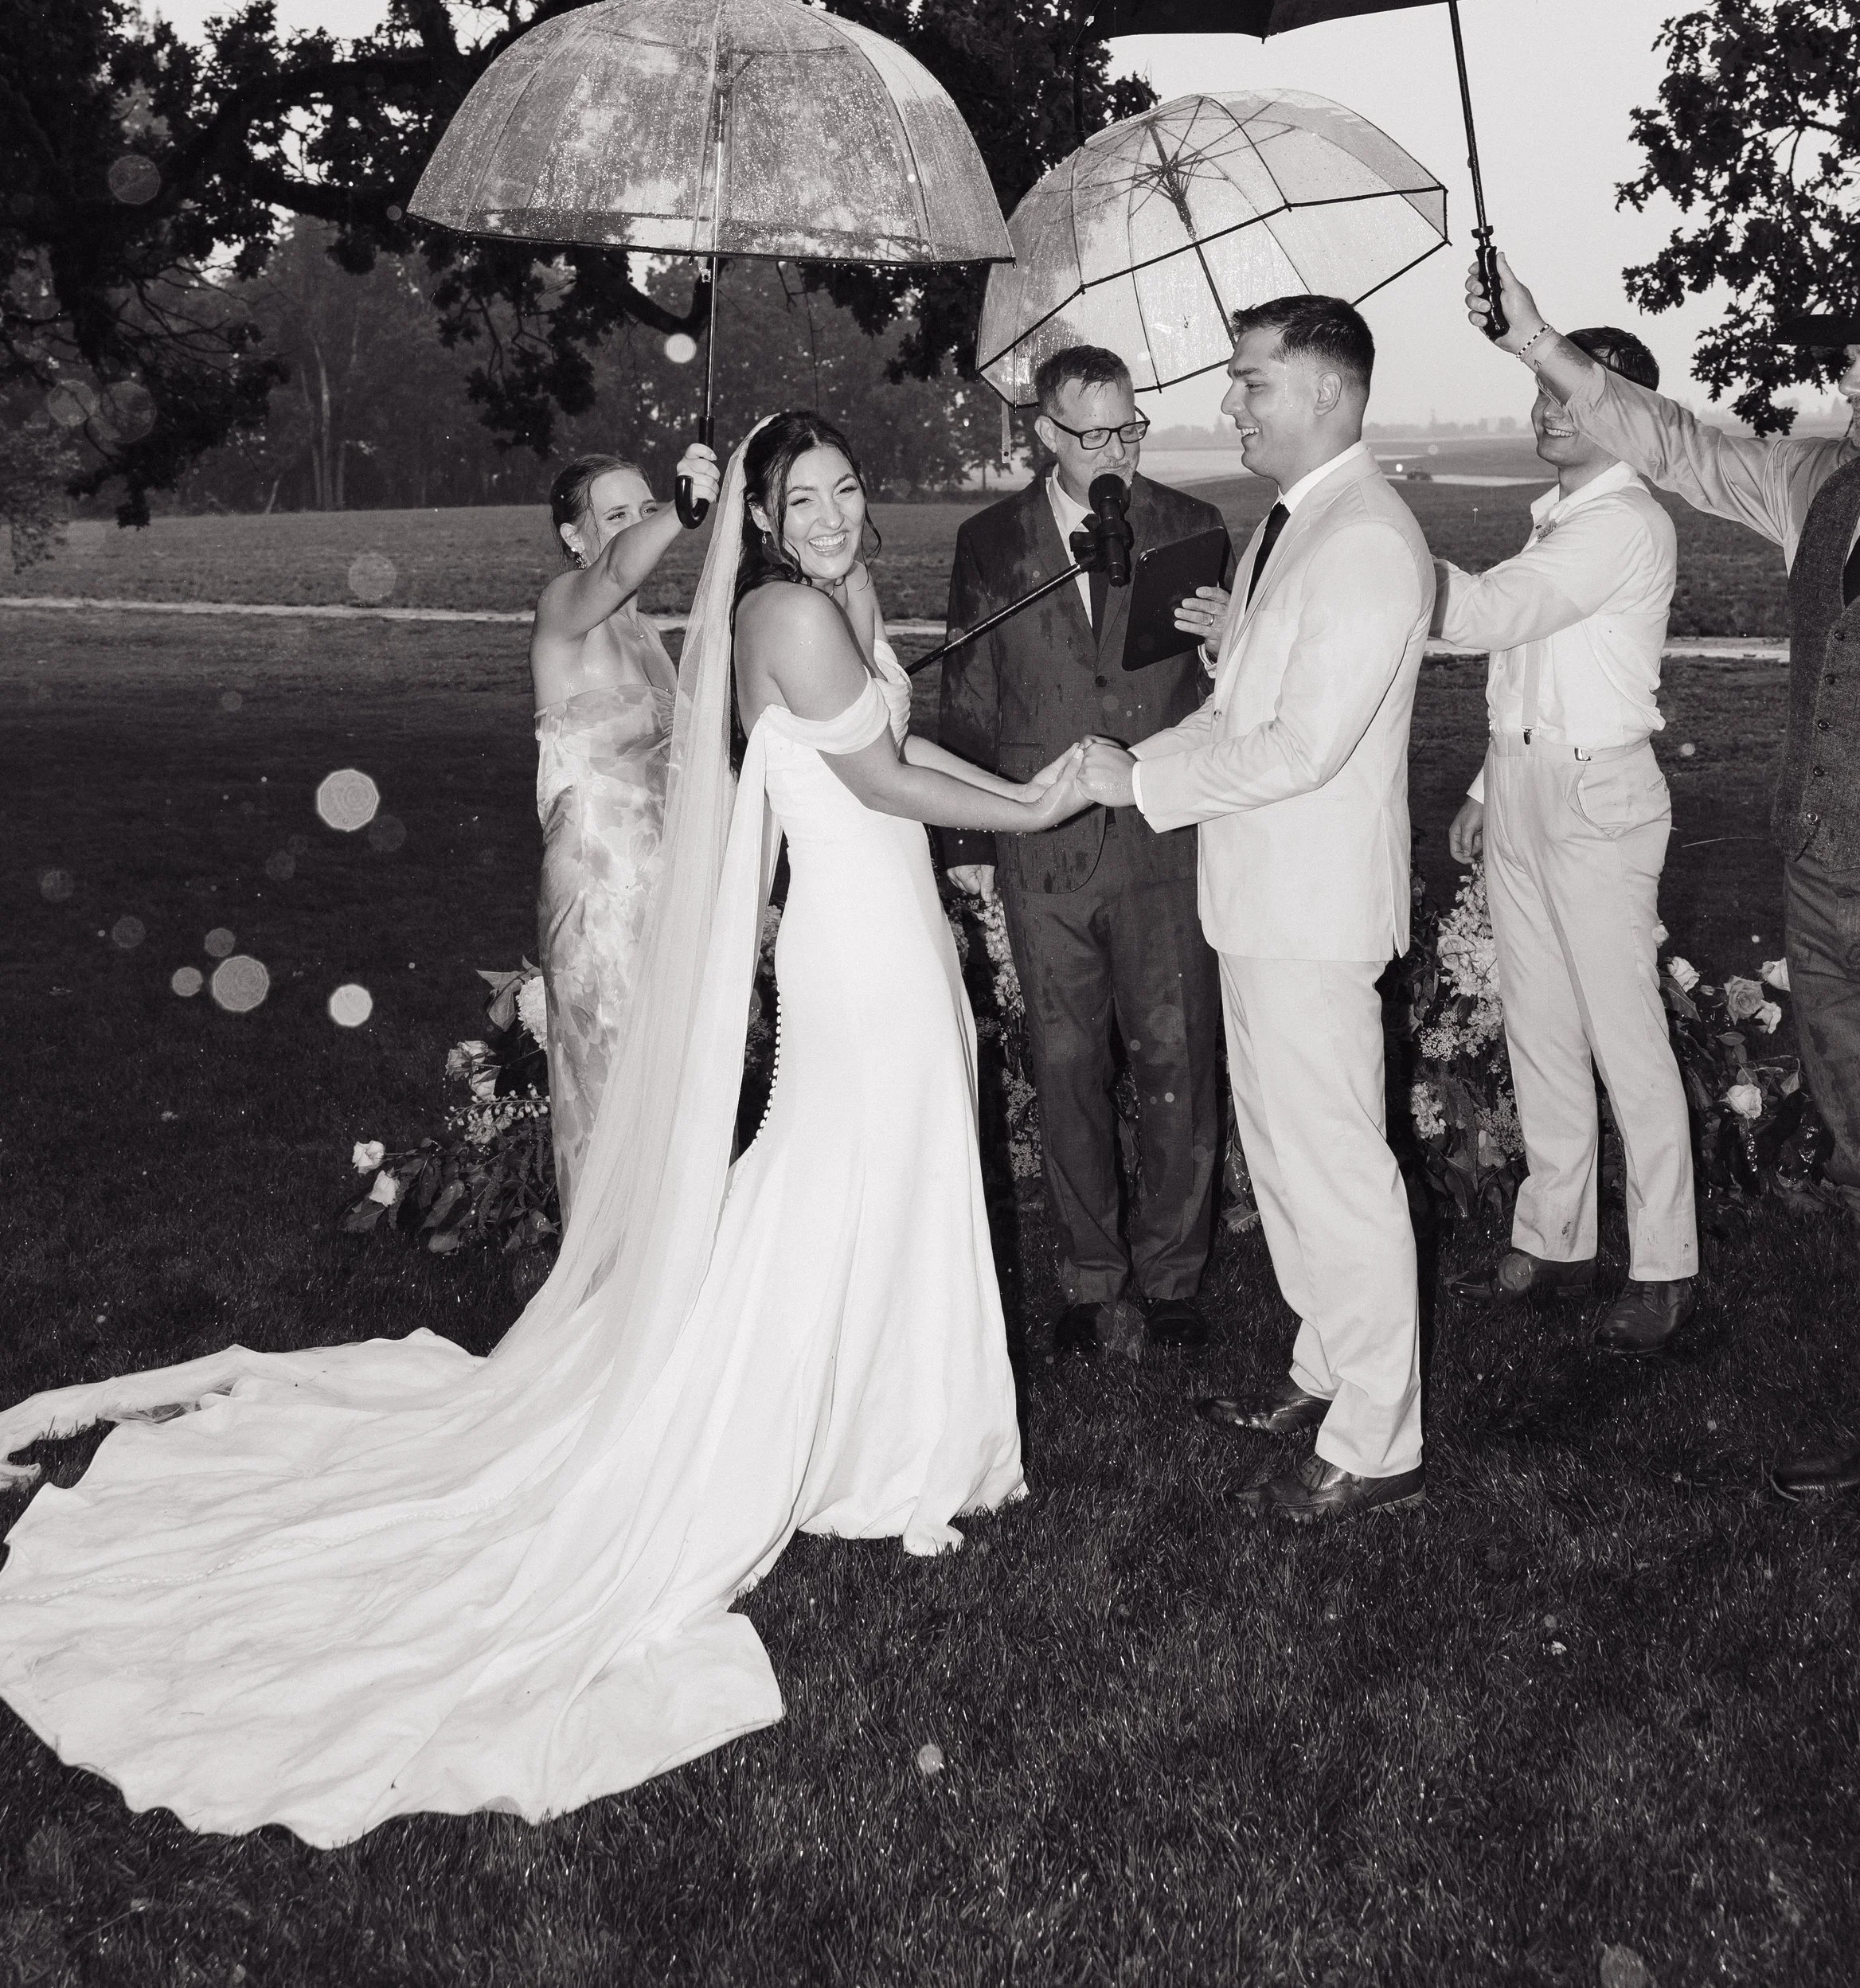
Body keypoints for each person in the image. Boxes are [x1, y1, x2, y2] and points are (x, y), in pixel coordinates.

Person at [0, 413, 1093, 1840]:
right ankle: (838, 1428)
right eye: (801, 496)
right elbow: (882, 778)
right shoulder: (754, 606)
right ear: (756, 513)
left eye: (847, 490)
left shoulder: (825, 601)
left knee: (877, 1168)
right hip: (856, 931)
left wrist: (862, 622)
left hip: (882, 920)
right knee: (848, 1165)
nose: (832, 514)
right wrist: (1039, 795)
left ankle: (881, 1424)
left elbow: (859, 730)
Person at [1466, 246, 1860, 1595]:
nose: (1850, 382)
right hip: (1826, 895)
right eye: (1854, 361)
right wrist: (1542, 347)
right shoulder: (1829, 488)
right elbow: (1676, 444)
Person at [1078, 295, 1433, 1526]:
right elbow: (1252, 710)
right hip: (1261, 898)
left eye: (1252, 382)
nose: (1230, 403)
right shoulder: (1295, 524)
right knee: (1283, 1162)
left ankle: (1381, 1440)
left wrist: (1140, 780)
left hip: (1315, 908)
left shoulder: (1370, 540)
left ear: (1328, 393)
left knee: (1338, 1172)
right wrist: (1169, 715)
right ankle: (1327, 1375)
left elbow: (1303, 748)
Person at [939, 344, 1233, 1356]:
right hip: (1042, 843)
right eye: (1094, 432)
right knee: (1064, 1065)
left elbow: (1229, 695)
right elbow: (970, 692)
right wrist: (975, 838)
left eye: (1129, 427)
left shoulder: (1193, 528)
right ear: (1043, 434)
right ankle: (1087, 1274)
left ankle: (1175, 1274)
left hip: (1163, 836)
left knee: (1175, 1056)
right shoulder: (991, 542)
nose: (1115, 449)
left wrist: (1223, 643)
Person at [1436, 326, 1697, 1353]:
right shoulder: (1554, 518)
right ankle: (1555, 1240)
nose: (1547, 411)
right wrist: (1483, 782)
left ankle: (1666, 1266)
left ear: (1624, 411)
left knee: (1624, 1042)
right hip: (1524, 787)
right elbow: (1533, 666)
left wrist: (1361, 581)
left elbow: (1498, 614)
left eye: (1570, 397)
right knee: (1537, 1026)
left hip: (1598, 800)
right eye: (1539, 393)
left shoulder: (1622, 521)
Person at [532, 444, 721, 1212]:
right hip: (598, 899)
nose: (640, 525)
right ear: (575, 537)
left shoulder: (649, 639)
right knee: (611, 1093)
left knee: (674, 1086)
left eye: (648, 509)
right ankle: (606, 1295)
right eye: (619, 515)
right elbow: (614, 575)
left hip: (662, 888)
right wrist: (683, 510)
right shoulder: (564, 608)